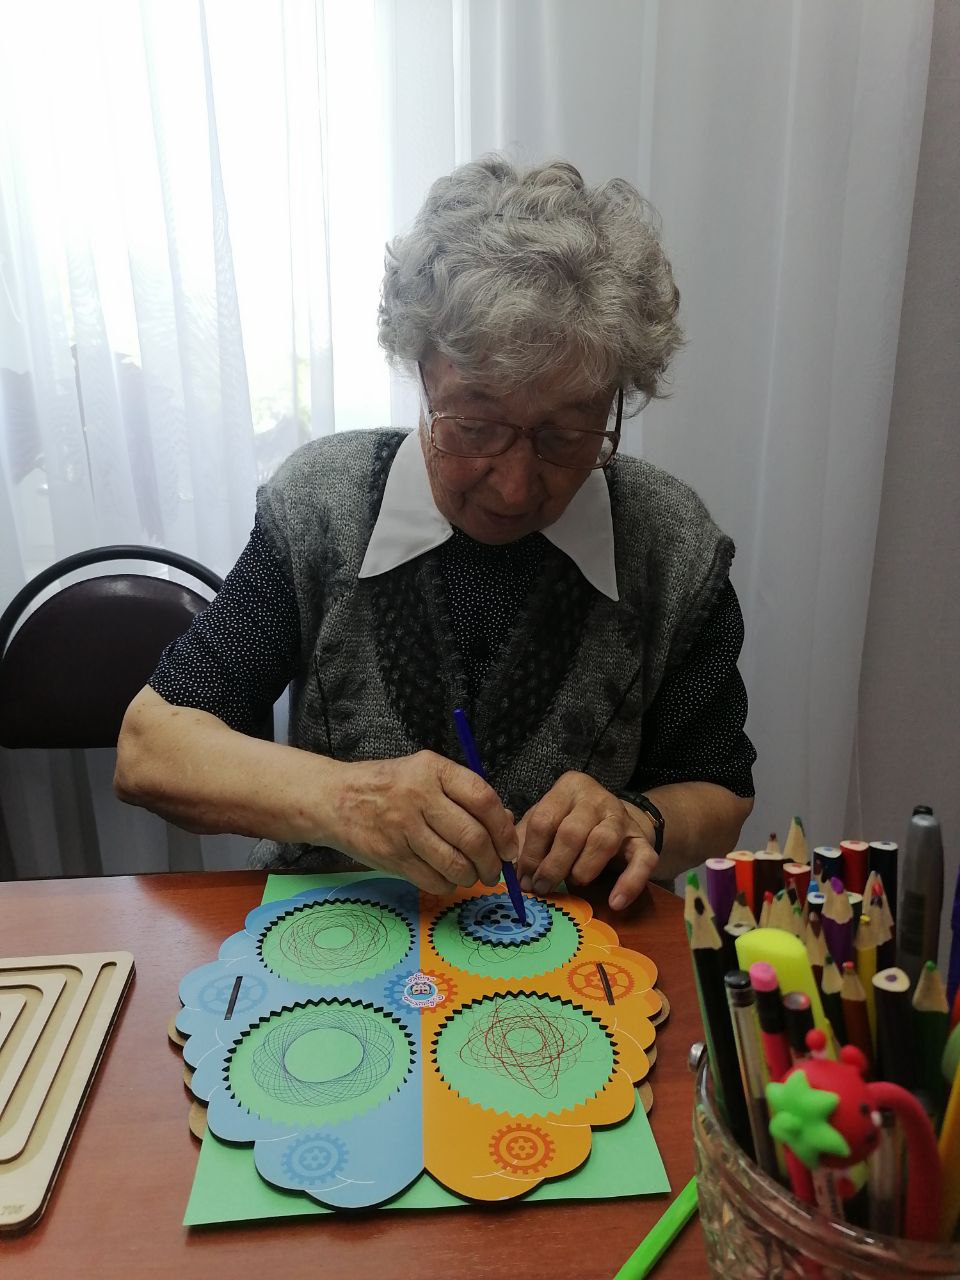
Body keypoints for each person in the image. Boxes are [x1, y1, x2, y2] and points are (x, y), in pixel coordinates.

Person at [115, 156, 756, 910]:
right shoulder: (320, 508)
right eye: (475, 426)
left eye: (567, 435)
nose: (514, 486)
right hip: (332, 943)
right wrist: (343, 799)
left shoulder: (671, 545)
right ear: (421, 370)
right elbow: (151, 747)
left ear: (617, 398)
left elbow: (719, 786)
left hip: (576, 956)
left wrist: (638, 819)